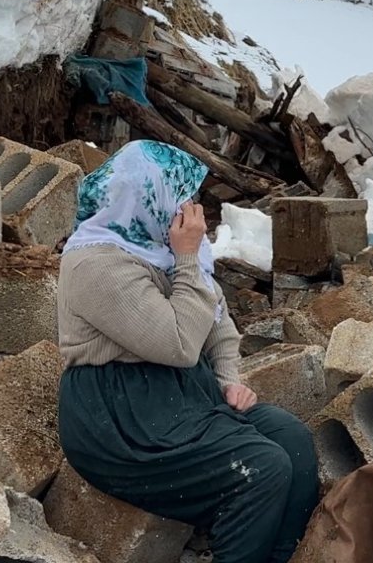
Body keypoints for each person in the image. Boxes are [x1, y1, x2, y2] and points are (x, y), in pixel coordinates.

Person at [55, 141, 318, 563]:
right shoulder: (95, 264)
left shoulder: (157, 247)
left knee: (292, 440)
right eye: (180, 196)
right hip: (122, 416)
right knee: (261, 468)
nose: (190, 209)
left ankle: (278, 556)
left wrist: (229, 380)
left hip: (183, 396)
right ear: (147, 198)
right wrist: (188, 258)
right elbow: (177, 343)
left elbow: (218, 325)